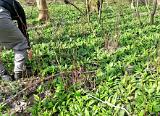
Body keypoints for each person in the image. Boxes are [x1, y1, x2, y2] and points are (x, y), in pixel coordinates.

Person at [0, 0, 30, 81]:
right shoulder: (16, 4)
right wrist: (27, 45)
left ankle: (3, 74)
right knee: (21, 43)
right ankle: (18, 72)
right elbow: (23, 27)